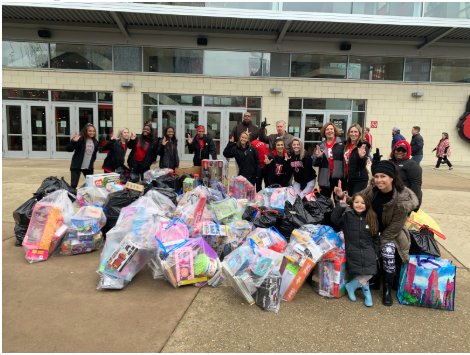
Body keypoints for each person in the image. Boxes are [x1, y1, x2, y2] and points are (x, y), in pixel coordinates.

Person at [334, 159, 419, 306]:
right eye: (377, 176)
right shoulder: (372, 188)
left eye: (383, 176)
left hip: (391, 234)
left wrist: (377, 246)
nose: (379, 180)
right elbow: (357, 200)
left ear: (392, 177)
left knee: (387, 251)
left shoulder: (402, 199)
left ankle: (386, 288)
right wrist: (343, 196)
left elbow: (393, 229)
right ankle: (370, 278)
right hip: (371, 228)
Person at [331, 192, 379, 307]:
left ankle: (351, 286)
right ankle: (367, 294)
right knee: (362, 274)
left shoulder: (372, 216)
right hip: (353, 250)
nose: (359, 205)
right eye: (356, 202)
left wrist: (376, 252)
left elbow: (376, 237)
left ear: (367, 204)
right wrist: (340, 206)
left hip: (369, 250)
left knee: (370, 273)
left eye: (362, 203)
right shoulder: (348, 216)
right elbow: (334, 219)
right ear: (352, 203)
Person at [313, 122, 345, 201]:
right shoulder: (320, 145)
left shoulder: (342, 142)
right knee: (324, 204)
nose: (329, 131)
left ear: (335, 131)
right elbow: (314, 163)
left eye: (331, 129)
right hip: (324, 178)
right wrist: (318, 158)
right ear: (324, 132)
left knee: (338, 201)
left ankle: (337, 214)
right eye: (327, 129)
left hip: (338, 179)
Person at [389, 141, 422, 210]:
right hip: (389, 199)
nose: (400, 152)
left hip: (403, 201)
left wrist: (415, 206)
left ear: (408, 152)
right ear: (394, 150)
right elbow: (377, 176)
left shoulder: (412, 165)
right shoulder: (389, 163)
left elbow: (416, 186)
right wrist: (376, 162)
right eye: (398, 150)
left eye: (403, 150)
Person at [66, 123, 100, 189]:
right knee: (73, 185)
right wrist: (74, 141)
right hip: (77, 166)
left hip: (88, 168)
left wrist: (92, 162)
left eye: (93, 131)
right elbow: (68, 149)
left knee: (91, 185)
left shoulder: (95, 142)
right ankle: (71, 198)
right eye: (90, 131)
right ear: (86, 131)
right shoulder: (80, 140)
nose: (92, 132)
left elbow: (94, 155)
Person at [344, 124, 370, 196]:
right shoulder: (346, 145)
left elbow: (363, 164)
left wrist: (361, 157)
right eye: (351, 132)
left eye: (355, 132)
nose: (353, 134)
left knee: (356, 201)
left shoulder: (363, 146)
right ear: (348, 133)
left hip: (359, 179)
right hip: (349, 179)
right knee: (350, 201)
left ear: (359, 133)